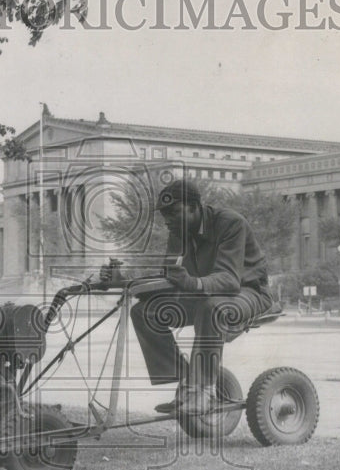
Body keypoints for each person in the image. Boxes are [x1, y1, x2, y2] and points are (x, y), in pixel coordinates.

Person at [100, 178, 273, 416]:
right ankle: (187, 384)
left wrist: (191, 282)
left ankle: (204, 393)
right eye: (164, 214)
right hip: (205, 294)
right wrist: (124, 281)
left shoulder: (230, 223)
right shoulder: (179, 232)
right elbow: (169, 280)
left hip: (250, 291)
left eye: (173, 212)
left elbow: (230, 281)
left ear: (194, 207)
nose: (167, 220)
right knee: (144, 312)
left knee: (211, 308)